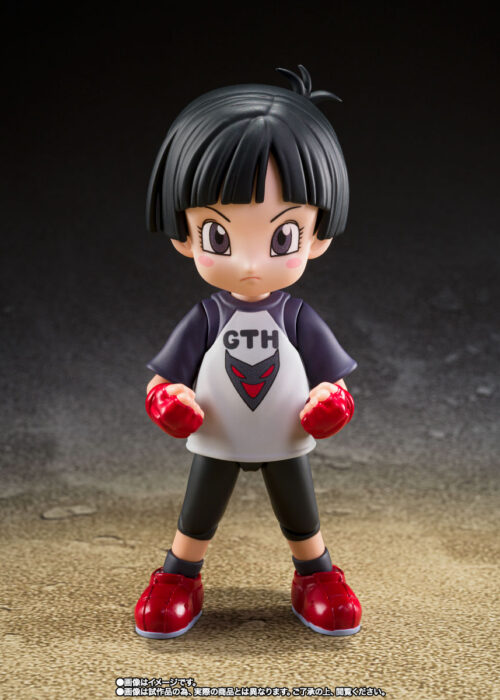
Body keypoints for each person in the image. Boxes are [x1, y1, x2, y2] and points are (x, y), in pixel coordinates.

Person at [135, 66, 362, 638]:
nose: (251, 263)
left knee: (300, 510)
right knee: (199, 510)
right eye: (219, 236)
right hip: (218, 432)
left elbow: (333, 382)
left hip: (285, 433)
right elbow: (162, 379)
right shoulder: (207, 317)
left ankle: (316, 573)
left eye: (282, 236)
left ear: (319, 234)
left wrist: (330, 404)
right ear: (184, 234)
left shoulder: (298, 318)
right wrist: (168, 403)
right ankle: (179, 575)